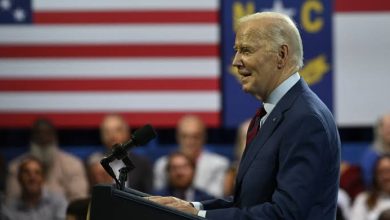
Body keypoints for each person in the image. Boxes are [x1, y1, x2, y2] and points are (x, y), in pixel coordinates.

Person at [148, 12, 340, 219]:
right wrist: (191, 207)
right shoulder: (274, 112)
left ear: (281, 55)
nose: (235, 61)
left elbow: (286, 214)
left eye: (246, 50)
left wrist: (201, 216)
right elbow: (249, 201)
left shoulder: (305, 119)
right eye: (236, 50)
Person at [5, 118, 88, 202]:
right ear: (31, 138)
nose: (43, 138)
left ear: (55, 137)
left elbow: (79, 202)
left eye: (47, 133)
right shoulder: (15, 167)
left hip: (63, 214)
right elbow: (11, 202)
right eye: (38, 134)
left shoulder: (73, 164)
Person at [153, 115, 229, 197]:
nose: (190, 141)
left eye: (195, 137)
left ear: (204, 137)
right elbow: (159, 198)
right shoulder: (163, 164)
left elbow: (215, 198)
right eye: (185, 136)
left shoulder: (218, 164)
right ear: (177, 137)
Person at [87, 114, 153, 193]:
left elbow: (149, 194)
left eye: (117, 130)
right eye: (107, 132)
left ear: (127, 132)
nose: (112, 135)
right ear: (102, 136)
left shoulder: (142, 163)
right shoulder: (95, 164)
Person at [2, 156, 67, 220]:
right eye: (27, 173)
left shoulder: (58, 203)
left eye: (37, 173)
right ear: (19, 178)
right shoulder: (8, 209)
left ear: (43, 179)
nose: (32, 178)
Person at [350, 155, 390, 220]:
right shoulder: (363, 199)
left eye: (388, 171)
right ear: (375, 176)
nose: (386, 176)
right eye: (381, 172)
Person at [361, 114, 390, 186]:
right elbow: (368, 180)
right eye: (387, 127)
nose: (389, 130)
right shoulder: (371, 154)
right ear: (379, 130)